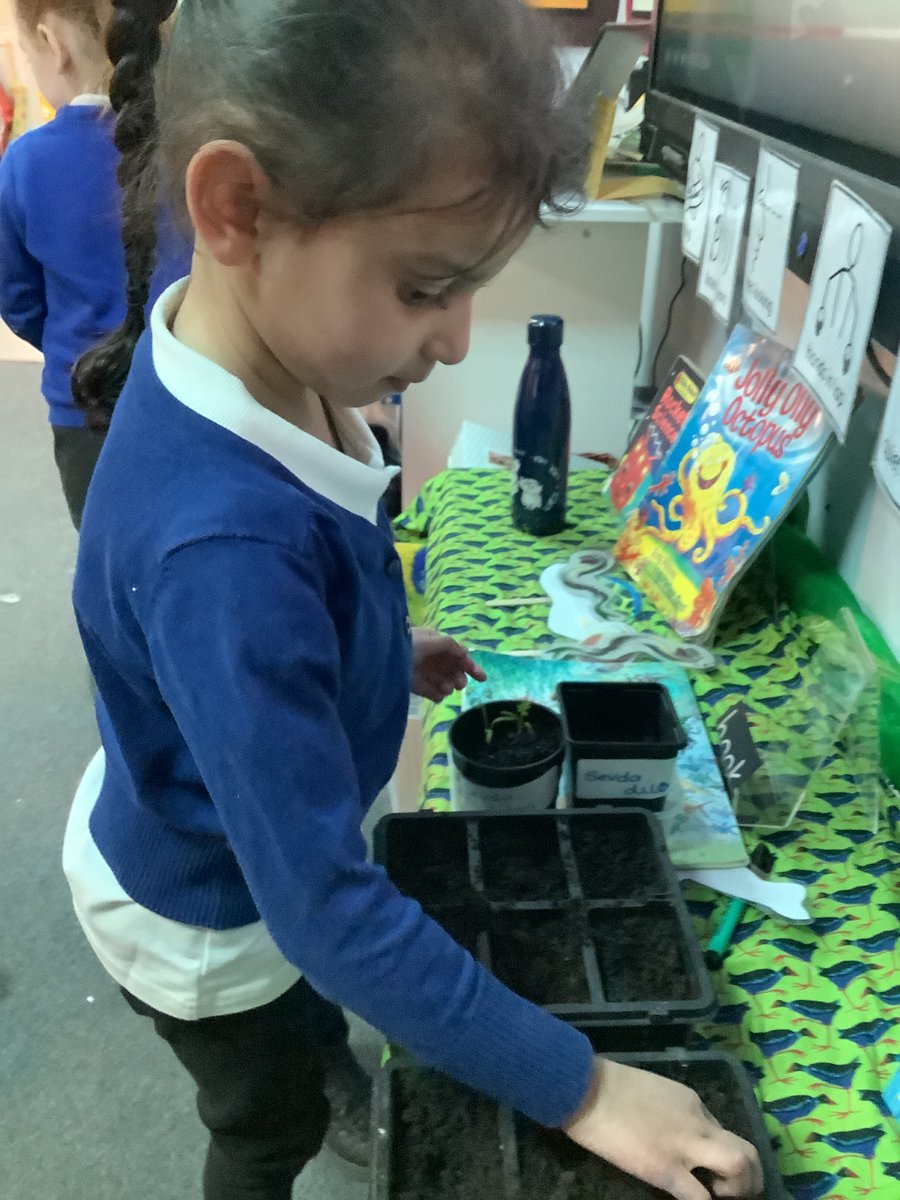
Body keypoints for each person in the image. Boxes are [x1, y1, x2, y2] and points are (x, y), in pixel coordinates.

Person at [63, 3, 765, 1199]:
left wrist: (380, 646)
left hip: (235, 812)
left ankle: (315, 1057)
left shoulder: (253, 342)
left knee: (306, 1036)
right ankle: (289, 1102)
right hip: (205, 913)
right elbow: (325, 909)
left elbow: (311, 581)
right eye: (426, 287)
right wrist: (587, 1088)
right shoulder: (222, 554)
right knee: (263, 1119)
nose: (456, 340)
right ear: (237, 209)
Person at [0, 0, 189, 528]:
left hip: (86, 410)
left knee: (108, 568)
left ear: (52, 45)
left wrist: (77, 344)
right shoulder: (199, 144)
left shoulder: (25, 163)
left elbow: (18, 300)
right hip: (199, 395)